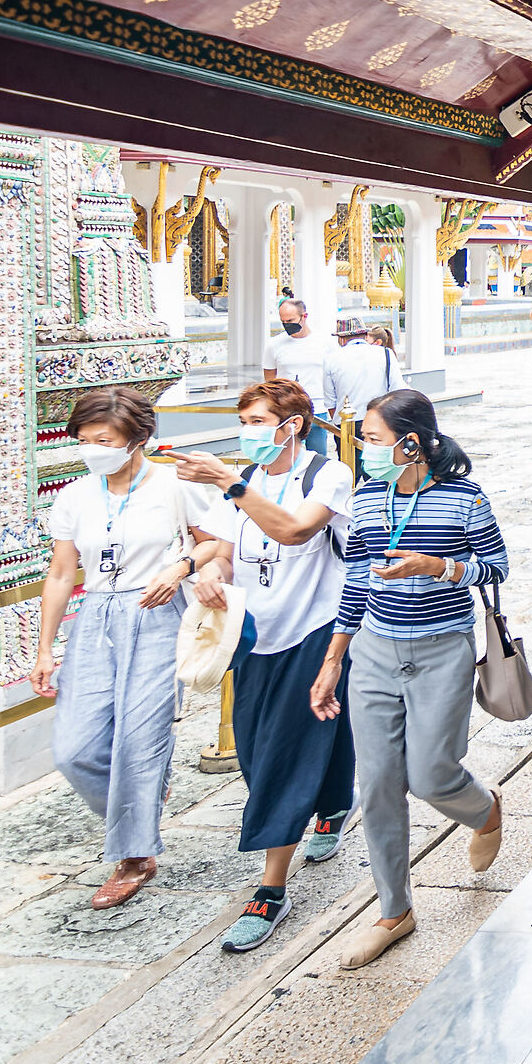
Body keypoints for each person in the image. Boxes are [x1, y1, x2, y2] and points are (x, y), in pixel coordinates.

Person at [318, 389, 509, 969]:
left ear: (412, 442)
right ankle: (394, 910)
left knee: (431, 775)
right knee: (375, 784)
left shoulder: (463, 498)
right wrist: (333, 661)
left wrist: (438, 567)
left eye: (373, 440)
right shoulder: (368, 496)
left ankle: (484, 809)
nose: (365, 451)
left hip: (442, 650)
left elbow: (496, 567)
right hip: (374, 651)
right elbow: (355, 581)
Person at [172, 380, 357, 953]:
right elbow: (225, 550)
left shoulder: (328, 475)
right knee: (257, 746)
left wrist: (231, 482)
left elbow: (294, 529)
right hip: (253, 633)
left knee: (284, 748)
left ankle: (270, 889)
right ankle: (331, 803)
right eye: (244, 419)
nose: (248, 430)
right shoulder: (241, 480)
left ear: (292, 423)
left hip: (315, 626)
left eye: (258, 420)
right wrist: (210, 574)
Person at [33, 386, 211, 909]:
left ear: (138, 438)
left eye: (103, 439)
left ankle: (134, 856)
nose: (93, 449)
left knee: (138, 740)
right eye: (84, 440)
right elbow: (62, 573)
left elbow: (216, 542)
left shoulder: (175, 485)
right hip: (95, 617)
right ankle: (147, 793)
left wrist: (180, 568)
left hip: (157, 612)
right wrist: (46, 650)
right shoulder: (74, 495)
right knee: (74, 749)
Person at [264, 298, 338, 455]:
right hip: (286, 409)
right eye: (283, 321)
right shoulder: (274, 345)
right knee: (285, 455)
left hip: (317, 408)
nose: (287, 325)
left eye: (290, 320)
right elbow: (270, 380)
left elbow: (334, 376)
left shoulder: (324, 343)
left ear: (304, 316)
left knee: (318, 456)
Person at [327, 319, 403, 453]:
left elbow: (330, 400)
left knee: (350, 469)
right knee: (377, 466)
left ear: (342, 339)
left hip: (347, 423)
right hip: (380, 419)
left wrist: (339, 422)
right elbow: (397, 391)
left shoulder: (331, 359)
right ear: (366, 335)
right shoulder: (385, 353)